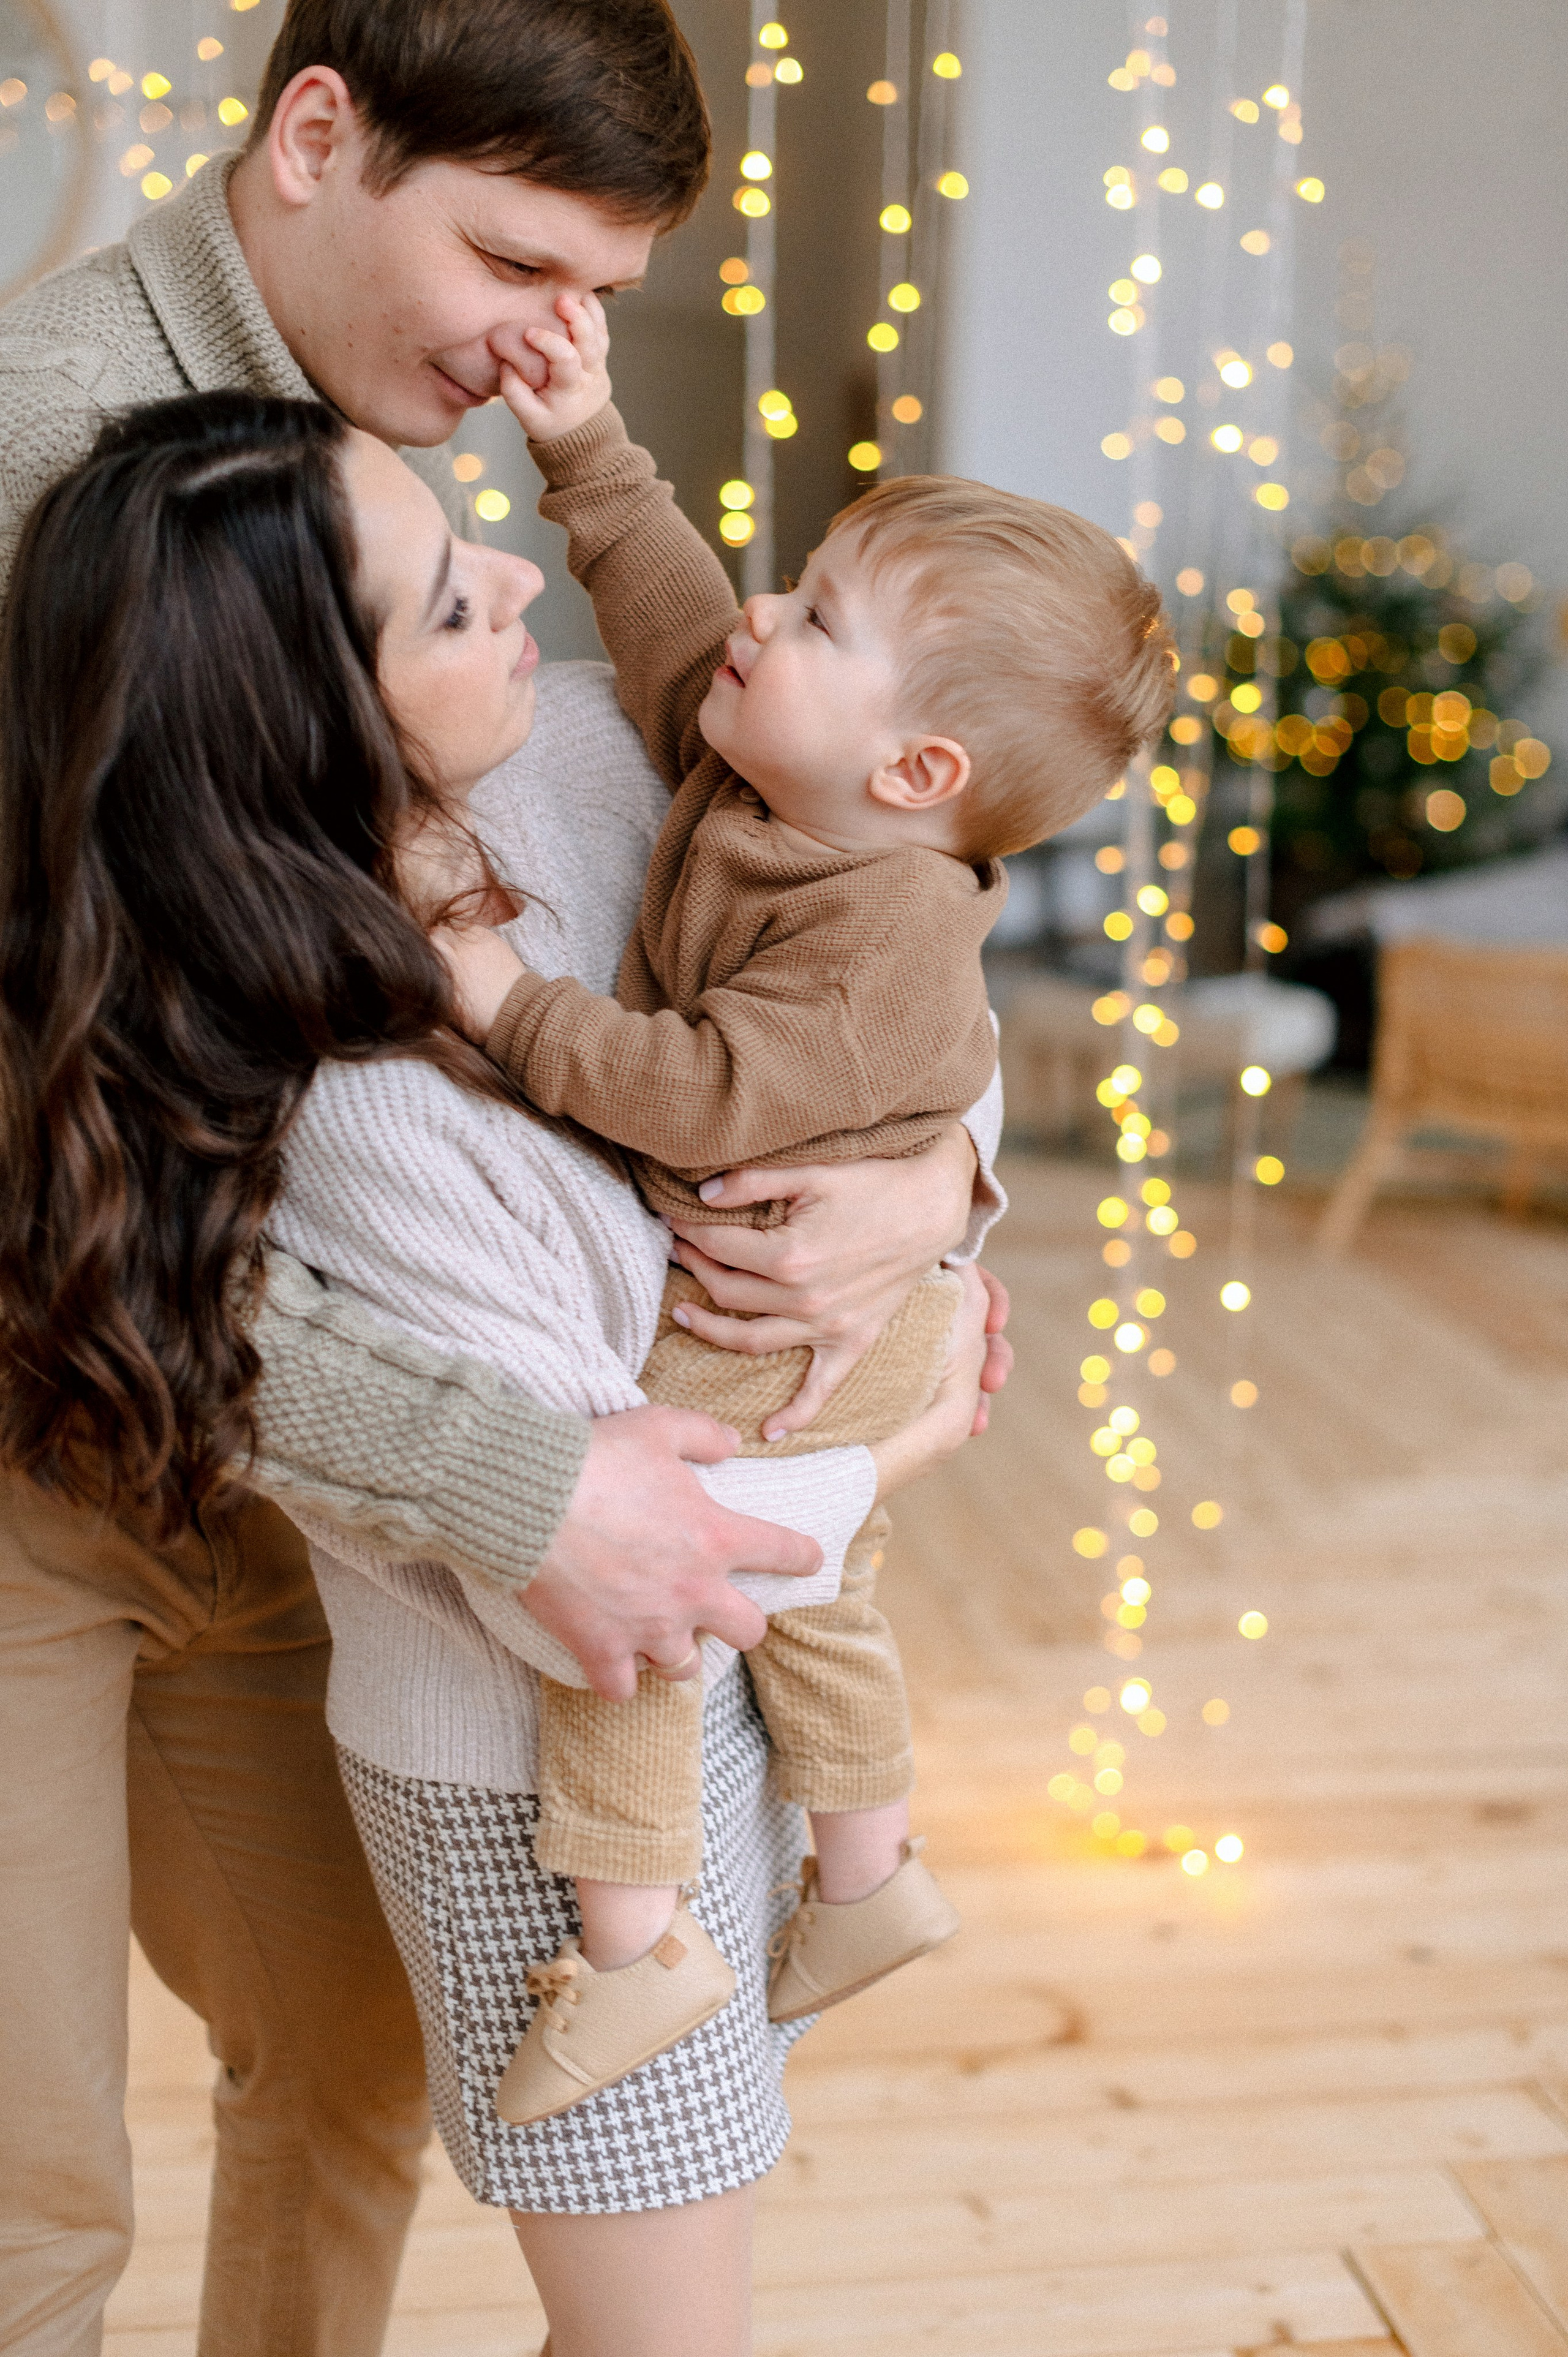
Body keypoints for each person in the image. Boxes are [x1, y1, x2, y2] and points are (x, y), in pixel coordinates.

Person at [0, 4, 1008, 2350]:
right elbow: (63, 1158)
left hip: (326, 1509)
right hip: (76, 1419)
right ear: (316, 137)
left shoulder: (422, 482)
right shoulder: (41, 471)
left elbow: (799, 872)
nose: (554, 345)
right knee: (35, 2189)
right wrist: (519, 1477)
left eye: (601, 285)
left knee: (345, 2081)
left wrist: (932, 1184)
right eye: (511, 260)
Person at [380, 295, 1174, 2119]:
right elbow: (673, 617)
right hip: (831, 1290)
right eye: (799, 583)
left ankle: (636, 1951)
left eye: (816, 618)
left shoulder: (884, 936)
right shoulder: (778, 778)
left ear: (916, 778)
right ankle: (874, 1881)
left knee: (654, 1592)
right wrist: (589, 445)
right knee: (827, 1598)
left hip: (807, 1320)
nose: (760, 613)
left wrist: (504, 1001)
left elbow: (695, 1094)